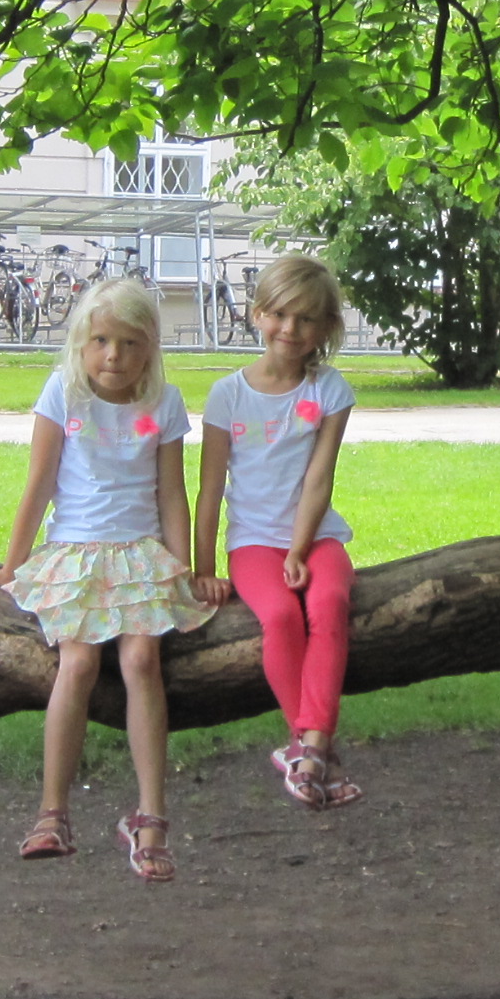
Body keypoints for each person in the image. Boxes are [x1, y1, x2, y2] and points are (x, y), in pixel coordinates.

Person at [0, 277, 216, 880]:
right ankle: (52, 813)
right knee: (76, 663)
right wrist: (11, 566)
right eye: (101, 341)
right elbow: (39, 484)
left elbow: (172, 494)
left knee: (141, 660)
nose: (114, 356)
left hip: (140, 556)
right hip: (74, 554)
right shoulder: (64, 393)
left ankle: (151, 815)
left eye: (130, 343)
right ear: (80, 343)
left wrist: (182, 569)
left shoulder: (163, 404)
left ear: (150, 348)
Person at [192, 254, 364, 811]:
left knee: (330, 602)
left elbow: (319, 479)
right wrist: (203, 570)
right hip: (252, 544)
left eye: (306, 318)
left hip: (317, 536)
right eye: (280, 314)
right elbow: (209, 491)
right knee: (281, 617)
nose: (291, 329)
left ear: (326, 328)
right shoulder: (228, 394)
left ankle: (308, 751)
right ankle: (312, 750)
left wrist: (300, 548)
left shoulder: (328, 390)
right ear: (258, 314)